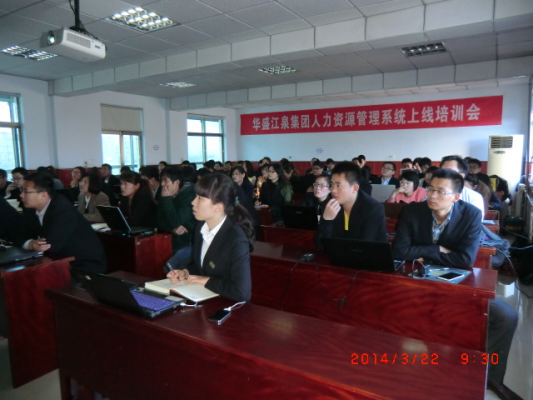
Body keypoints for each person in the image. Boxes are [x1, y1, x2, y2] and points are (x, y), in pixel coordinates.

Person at [392, 168, 521, 400]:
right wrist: (437, 249)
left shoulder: (470, 214)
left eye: (441, 191)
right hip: (417, 280)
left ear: (456, 197)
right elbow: (399, 250)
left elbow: (465, 260)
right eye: (431, 189)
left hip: (457, 282)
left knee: (506, 316)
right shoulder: (413, 211)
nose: (432, 195)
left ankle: (490, 379)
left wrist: (422, 252)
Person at [166, 173, 254, 302]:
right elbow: (204, 265)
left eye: (200, 198)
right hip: (205, 297)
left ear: (218, 207)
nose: (193, 202)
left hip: (229, 305)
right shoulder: (201, 227)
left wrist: (206, 280)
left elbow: (241, 292)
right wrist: (186, 272)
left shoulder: (236, 238)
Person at [19, 172, 106, 274]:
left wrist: (34, 243)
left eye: (26, 191)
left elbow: (50, 245)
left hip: (84, 265)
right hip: (60, 261)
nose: (21, 195)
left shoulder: (62, 209)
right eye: (21, 190)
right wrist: (30, 244)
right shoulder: (30, 208)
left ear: (43, 195)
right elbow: (20, 234)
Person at [319, 162, 387, 242]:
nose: (333, 190)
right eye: (332, 185)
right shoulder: (330, 205)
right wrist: (327, 220)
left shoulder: (373, 209)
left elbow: (366, 246)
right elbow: (319, 243)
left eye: (338, 185)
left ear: (354, 188)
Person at [157, 166, 196, 255]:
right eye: (161, 180)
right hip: (169, 241)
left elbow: (176, 220)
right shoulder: (166, 193)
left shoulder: (190, 196)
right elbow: (158, 219)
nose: (162, 184)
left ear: (177, 182)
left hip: (187, 243)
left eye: (166, 181)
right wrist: (172, 228)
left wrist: (166, 199)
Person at [440, 155, 485, 219]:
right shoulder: (431, 193)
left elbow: (475, 222)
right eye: (442, 172)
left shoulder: (474, 197)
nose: (444, 175)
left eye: (450, 172)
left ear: (461, 176)